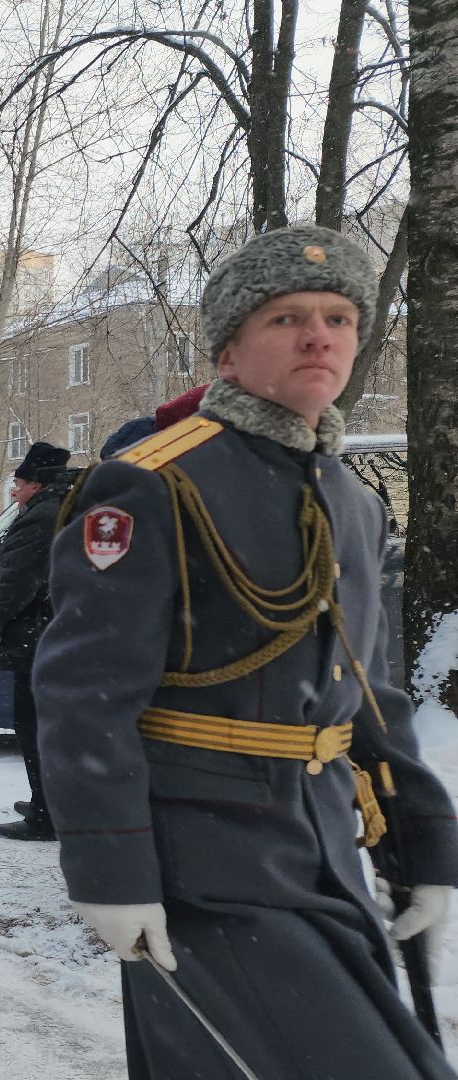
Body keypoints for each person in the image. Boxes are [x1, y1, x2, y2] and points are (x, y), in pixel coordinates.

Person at [36, 225, 458, 1079]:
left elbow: (369, 695)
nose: (320, 337)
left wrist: (423, 842)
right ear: (227, 353)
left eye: (340, 317)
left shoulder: (351, 497)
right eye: (287, 318)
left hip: (325, 854)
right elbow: (87, 691)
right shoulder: (153, 482)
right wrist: (108, 864)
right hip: (205, 864)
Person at [0, 442, 74, 841]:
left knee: (33, 727)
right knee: (43, 726)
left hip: (36, 637)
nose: (14, 491)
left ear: (35, 484)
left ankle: (46, 814)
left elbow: (17, 581)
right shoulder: (55, 509)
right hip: (51, 634)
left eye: (18, 483)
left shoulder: (42, 517)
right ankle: (47, 801)